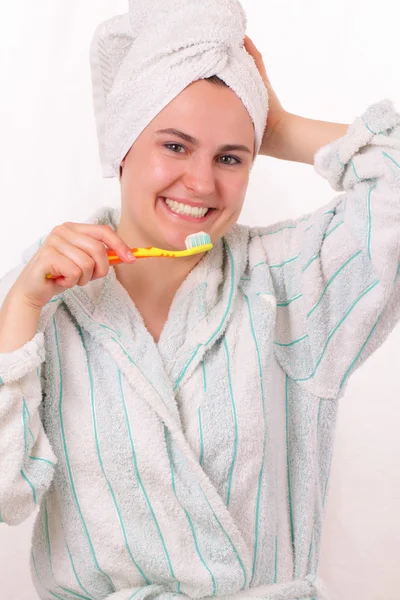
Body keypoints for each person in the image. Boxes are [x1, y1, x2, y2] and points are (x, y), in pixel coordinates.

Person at [0, 1, 399, 599]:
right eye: (176, 146)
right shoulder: (41, 300)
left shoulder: (288, 282)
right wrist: (20, 310)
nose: (203, 184)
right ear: (124, 144)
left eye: (231, 157)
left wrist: (280, 127)